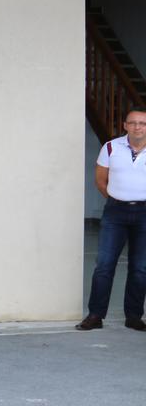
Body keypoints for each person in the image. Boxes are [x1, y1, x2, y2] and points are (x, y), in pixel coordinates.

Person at [76, 107, 146, 332]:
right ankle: (95, 315)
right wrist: (119, 198)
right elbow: (100, 180)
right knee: (104, 265)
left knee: (141, 267)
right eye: (133, 123)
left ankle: (134, 316)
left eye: (142, 123)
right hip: (115, 212)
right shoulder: (110, 147)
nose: (137, 127)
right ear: (125, 125)